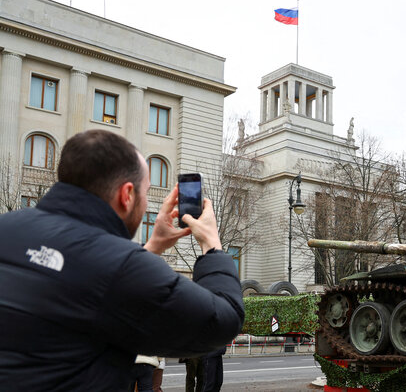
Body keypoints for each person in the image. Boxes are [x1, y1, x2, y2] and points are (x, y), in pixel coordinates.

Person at [0, 130, 244, 390]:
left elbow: (83, 283)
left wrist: (152, 246)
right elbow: (222, 321)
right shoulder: (121, 267)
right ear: (127, 195)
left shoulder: (6, 228)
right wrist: (212, 244)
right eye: (145, 192)